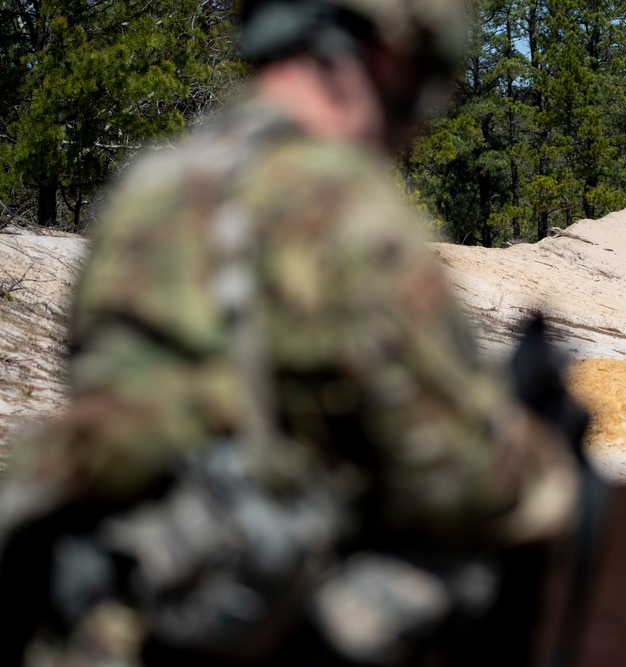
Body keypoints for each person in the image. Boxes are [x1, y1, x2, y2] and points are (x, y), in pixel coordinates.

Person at [0, 1, 583, 665]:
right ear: (390, 57)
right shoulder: (348, 209)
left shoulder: (145, 193)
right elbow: (463, 480)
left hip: (101, 618)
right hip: (242, 620)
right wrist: (544, 456)